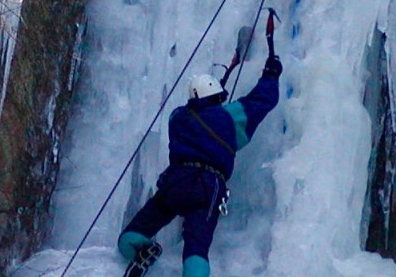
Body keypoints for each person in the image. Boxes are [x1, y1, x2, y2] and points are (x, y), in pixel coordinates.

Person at [117, 56, 282, 277]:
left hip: (174, 182)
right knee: (197, 245)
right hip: (207, 185)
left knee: (140, 227)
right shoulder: (228, 116)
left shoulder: (177, 118)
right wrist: (271, 74)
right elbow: (260, 101)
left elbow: (198, 116)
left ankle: (137, 246)